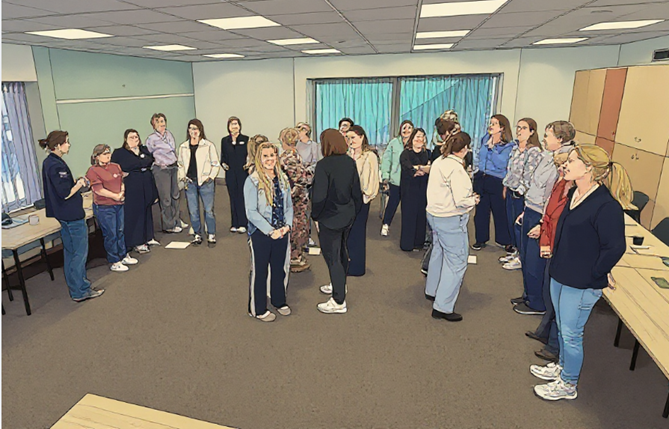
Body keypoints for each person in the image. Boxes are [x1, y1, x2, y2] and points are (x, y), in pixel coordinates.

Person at [531, 143, 633, 401]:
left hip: (581, 282)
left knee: (571, 334)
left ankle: (568, 383)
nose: (565, 164)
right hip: (561, 274)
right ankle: (562, 367)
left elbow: (615, 248)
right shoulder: (575, 193)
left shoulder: (606, 206)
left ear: (588, 168)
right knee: (562, 326)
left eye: (572, 160)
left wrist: (596, 273)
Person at [513, 121, 575, 316]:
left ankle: (537, 302)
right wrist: (526, 210)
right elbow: (536, 186)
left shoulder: (564, 161)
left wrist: (542, 224)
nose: (544, 139)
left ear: (560, 139)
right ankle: (528, 294)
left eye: (548, 136)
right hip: (532, 208)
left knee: (535, 261)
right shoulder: (549, 156)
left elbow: (553, 196)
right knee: (525, 256)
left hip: (542, 215)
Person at [40, 131, 104, 302]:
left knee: (70, 253)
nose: (69, 145)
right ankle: (81, 290)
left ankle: (76, 289)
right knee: (79, 254)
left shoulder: (49, 162)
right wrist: (80, 184)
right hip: (71, 215)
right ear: (57, 145)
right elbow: (65, 193)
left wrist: (74, 183)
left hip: (63, 215)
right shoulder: (56, 166)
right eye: (66, 142)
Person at [425, 132, 479, 321]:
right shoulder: (457, 170)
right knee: (457, 261)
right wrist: (474, 200)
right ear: (464, 149)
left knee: (438, 251)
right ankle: (443, 307)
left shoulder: (439, 161)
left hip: (434, 214)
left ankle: (432, 290)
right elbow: (461, 200)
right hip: (450, 218)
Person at [525, 151, 573, 364]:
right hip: (550, 241)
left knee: (559, 301)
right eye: (560, 165)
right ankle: (544, 331)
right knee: (549, 291)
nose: (561, 169)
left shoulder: (575, 193)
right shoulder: (560, 185)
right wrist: (542, 229)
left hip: (561, 247)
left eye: (565, 165)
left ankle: (553, 346)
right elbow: (549, 213)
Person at [312, 129, 362, 314]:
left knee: (332, 257)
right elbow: (356, 192)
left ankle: (338, 301)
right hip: (347, 215)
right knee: (341, 252)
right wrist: (353, 212)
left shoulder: (323, 165)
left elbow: (319, 197)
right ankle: (339, 285)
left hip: (329, 218)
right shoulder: (349, 162)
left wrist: (315, 216)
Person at [243, 142, 293, 322]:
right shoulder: (253, 181)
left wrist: (287, 226)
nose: (270, 159)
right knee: (260, 271)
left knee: (279, 268)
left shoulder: (283, 178)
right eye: (265, 156)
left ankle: (279, 300)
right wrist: (270, 231)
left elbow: (288, 206)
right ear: (259, 158)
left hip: (282, 231)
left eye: (272, 155)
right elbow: (251, 212)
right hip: (261, 233)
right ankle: (258, 309)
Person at [86, 144, 139, 273]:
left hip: (118, 204)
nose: (108, 155)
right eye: (104, 153)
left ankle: (123, 255)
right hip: (104, 207)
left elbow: (121, 182)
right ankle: (114, 260)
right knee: (111, 234)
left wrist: (121, 193)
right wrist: (115, 196)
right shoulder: (93, 171)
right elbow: (98, 190)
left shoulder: (115, 166)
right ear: (97, 156)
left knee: (120, 230)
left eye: (108, 153)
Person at [499, 118, 542, 270]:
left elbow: (530, 176)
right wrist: (506, 186)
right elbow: (510, 170)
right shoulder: (515, 149)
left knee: (520, 226)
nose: (519, 131)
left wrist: (519, 191)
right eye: (518, 127)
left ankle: (522, 257)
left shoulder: (533, 152)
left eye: (523, 128)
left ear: (532, 132)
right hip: (511, 189)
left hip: (522, 194)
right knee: (511, 223)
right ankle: (516, 251)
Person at [111, 129, 159, 254]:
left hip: (146, 183)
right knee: (136, 213)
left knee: (147, 210)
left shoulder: (143, 149)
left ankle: (148, 237)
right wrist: (141, 163)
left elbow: (150, 160)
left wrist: (140, 163)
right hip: (133, 186)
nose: (134, 140)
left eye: (136, 137)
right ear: (126, 139)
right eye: (131, 138)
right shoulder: (120, 153)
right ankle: (137, 241)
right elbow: (126, 165)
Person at [472, 114, 514, 251]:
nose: (491, 126)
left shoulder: (508, 145)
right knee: (481, 211)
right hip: (481, 177)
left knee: (499, 211)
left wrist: (493, 148)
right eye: (490, 123)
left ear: (502, 127)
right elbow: (480, 156)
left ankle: (505, 241)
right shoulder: (485, 139)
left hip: (496, 180)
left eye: (494, 124)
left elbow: (501, 164)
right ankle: (480, 239)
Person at [177, 119, 220, 245]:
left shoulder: (208, 145)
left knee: (208, 210)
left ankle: (211, 233)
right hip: (190, 182)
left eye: (195, 128)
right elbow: (180, 164)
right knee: (193, 210)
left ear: (200, 130)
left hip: (205, 182)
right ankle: (197, 233)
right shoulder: (183, 147)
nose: (193, 131)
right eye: (191, 128)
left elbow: (215, 164)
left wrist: (210, 177)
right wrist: (182, 176)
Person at [345, 125, 379, 276]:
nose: (350, 141)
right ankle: (347, 263)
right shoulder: (347, 155)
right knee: (348, 232)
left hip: (362, 198)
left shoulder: (369, 156)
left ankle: (357, 267)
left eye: (353, 137)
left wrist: (368, 195)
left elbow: (373, 178)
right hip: (347, 198)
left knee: (358, 232)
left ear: (362, 137)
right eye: (348, 138)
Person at [279, 127, 313, 272]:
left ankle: (294, 257)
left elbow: (298, 180)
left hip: (295, 200)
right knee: (299, 226)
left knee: (296, 227)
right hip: (298, 198)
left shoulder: (288, 158)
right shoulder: (294, 155)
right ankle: (294, 255)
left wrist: (289, 196)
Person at [145, 113, 185, 233]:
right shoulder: (151, 139)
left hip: (173, 167)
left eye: (163, 121)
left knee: (175, 195)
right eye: (158, 122)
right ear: (153, 125)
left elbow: (172, 150)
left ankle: (176, 220)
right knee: (166, 198)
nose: (161, 124)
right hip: (162, 169)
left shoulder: (169, 134)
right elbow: (149, 154)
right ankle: (169, 225)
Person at [380, 120, 413, 236]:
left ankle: (408, 229)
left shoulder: (415, 143)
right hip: (395, 180)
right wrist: (385, 176)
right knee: (392, 203)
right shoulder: (394, 142)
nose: (406, 130)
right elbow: (386, 160)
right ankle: (385, 224)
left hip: (410, 181)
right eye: (404, 128)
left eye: (409, 128)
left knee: (408, 206)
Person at [399, 128, 430, 252]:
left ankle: (419, 243)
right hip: (409, 189)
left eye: (422, 136)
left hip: (423, 188)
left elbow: (430, 167)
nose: (419, 139)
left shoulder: (427, 153)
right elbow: (407, 168)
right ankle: (407, 244)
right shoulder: (406, 153)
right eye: (417, 136)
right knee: (409, 215)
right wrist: (418, 169)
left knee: (421, 215)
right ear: (412, 139)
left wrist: (419, 168)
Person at [221, 116, 249, 234]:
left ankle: (243, 223)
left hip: (242, 172)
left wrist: (248, 164)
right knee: (232, 197)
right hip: (230, 172)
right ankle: (234, 223)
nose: (234, 126)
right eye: (232, 124)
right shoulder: (225, 140)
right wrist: (223, 164)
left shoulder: (245, 139)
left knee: (241, 197)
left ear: (240, 126)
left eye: (236, 124)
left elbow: (249, 155)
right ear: (228, 127)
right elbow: (223, 156)